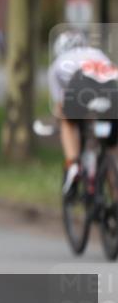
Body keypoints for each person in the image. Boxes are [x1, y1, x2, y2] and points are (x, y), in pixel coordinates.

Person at [48, 30, 118, 195]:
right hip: (111, 88)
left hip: (80, 83)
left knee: (66, 120)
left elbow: (59, 106)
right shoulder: (97, 53)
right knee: (111, 147)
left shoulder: (58, 64)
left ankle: (73, 165)